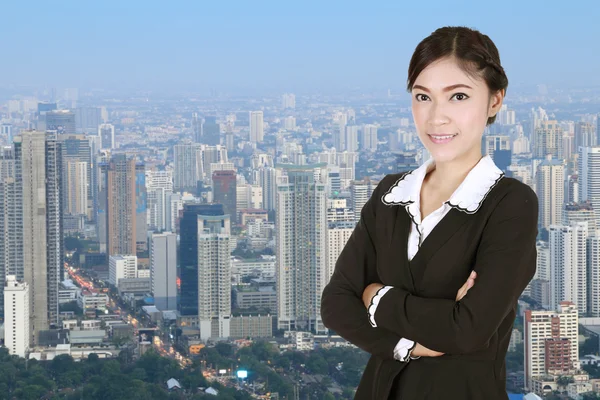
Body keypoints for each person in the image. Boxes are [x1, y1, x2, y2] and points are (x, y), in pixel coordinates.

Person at [320, 26, 538, 399]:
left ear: (495, 101)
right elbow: (335, 305)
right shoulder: (391, 194)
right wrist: (412, 343)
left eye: (458, 96)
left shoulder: (510, 204)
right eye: (423, 97)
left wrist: (376, 298)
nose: (436, 117)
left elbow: (467, 331)